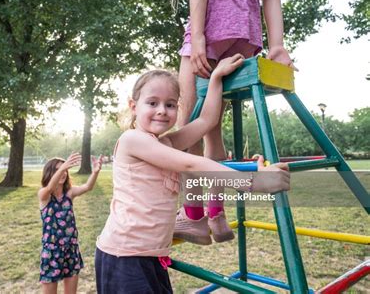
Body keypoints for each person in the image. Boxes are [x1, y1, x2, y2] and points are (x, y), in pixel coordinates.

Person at [95, 61, 290, 293]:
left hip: (151, 255)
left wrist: (215, 79)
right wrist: (254, 182)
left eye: (170, 105)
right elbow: (192, 162)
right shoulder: (131, 140)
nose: (161, 110)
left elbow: (206, 121)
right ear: (133, 106)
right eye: (152, 103)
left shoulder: (166, 142)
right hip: (124, 256)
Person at [172, 0, 297, 244]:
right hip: (245, 36)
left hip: (213, 26)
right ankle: (216, 215)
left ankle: (193, 216)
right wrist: (278, 46)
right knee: (212, 129)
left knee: (187, 130)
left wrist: (197, 38)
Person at [38, 153, 103, 294]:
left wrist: (95, 172)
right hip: (52, 252)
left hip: (71, 249)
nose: (63, 173)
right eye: (58, 170)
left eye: (65, 170)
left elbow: (88, 187)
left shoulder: (69, 193)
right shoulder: (44, 195)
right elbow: (49, 189)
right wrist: (63, 167)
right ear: (50, 172)